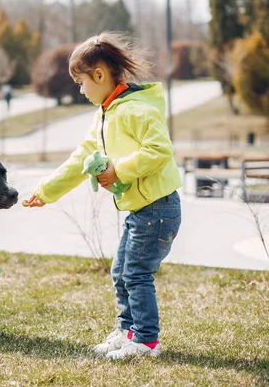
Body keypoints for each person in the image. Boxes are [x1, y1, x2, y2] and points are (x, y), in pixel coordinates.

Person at [23, 32, 182, 360]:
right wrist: (46, 191)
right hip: (141, 210)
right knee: (121, 271)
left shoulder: (137, 109)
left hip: (158, 208)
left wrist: (119, 170)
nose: (81, 91)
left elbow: (160, 150)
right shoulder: (105, 114)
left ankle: (146, 342)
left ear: (99, 74)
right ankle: (128, 332)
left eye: (81, 82)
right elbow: (82, 158)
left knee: (135, 274)